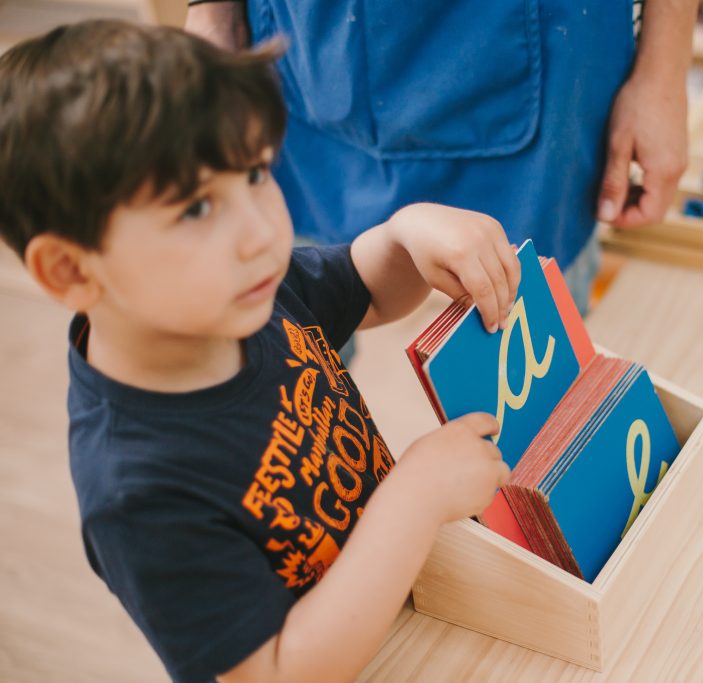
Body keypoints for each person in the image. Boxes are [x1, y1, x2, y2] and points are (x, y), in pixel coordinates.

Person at [0, 21, 518, 683]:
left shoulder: (239, 296)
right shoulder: (138, 493)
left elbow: (366, 290)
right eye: (194, 210)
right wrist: (414, 497)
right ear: (72, 271)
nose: (258, 232)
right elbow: (278, 671)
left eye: (253, 174)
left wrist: (405, 234)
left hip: (418, 610)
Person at [185, 0, 696, 315]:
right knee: (297, 317)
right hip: (307, 41)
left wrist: (664, 69)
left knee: (537, 381)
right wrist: (211, 11)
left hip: (549, 56)